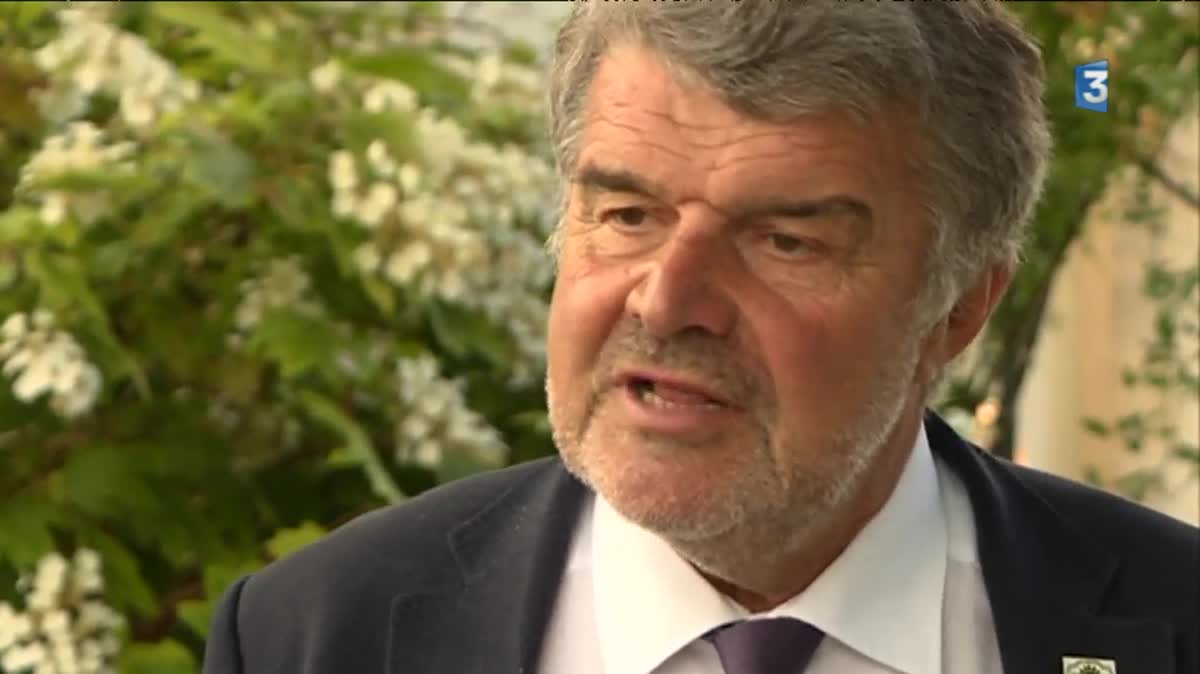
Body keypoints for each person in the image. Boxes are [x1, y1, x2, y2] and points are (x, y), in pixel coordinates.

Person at [202, 3, 1198, 673]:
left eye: (784, 240)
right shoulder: (313, 634)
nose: (668, 300)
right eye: (627, 215)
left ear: (959, 307)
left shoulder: (1171, 618)